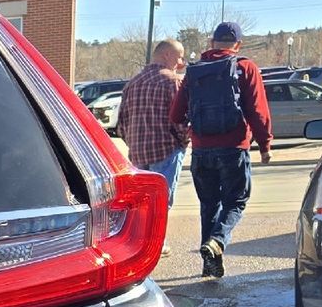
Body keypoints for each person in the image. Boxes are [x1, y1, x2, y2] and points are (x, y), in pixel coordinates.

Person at [169, 20, 272, 278]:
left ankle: (209, 265)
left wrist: (191, 129)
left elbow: (176, 114)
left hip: (201, 150)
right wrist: (264, 145)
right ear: (238, 44)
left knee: (209, 205)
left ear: (212, 43)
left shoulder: (195, 71)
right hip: (233, 148)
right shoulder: (245, 67)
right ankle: (217, 241)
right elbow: (258, 111)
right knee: (236, 201)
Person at [116, 39, 189, 204]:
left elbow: (122, 124)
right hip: (166, 151)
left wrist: (134, 144)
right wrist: (183, 143)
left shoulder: (132, 83)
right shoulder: (173, 81)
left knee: (142, 208)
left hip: (138, 155)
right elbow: (180, 120)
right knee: (161, 206)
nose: (181, 62)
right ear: (167, 55)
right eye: (179, 57)